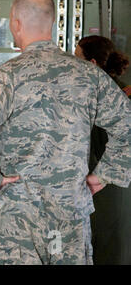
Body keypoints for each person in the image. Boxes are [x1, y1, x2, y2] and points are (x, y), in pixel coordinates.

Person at [0, 0, 131, 265]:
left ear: (15, 23)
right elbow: (128, 124)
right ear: (52, 23)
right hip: (71, 212)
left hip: (19, 215)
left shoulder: (6, 77)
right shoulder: (88, 75)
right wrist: (105, 174)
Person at [75, 35, 131, 264]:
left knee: (105, 249)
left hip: (102, 187)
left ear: (92, 64)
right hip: (117, 187)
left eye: (77, 58)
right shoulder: (120, 90)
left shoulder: (102, 97)